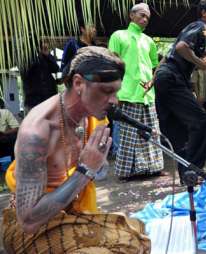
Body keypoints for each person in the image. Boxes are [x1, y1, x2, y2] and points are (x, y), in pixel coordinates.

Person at [3, 46, 150, 253]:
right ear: (79, 83)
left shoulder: (91, 115)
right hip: (30, 227)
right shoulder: (37, 131)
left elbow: (98, 169)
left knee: (138, 238)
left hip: (70, 212)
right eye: (107, 92)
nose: (114, 101)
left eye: (115, 92)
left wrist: (97, 164)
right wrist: (85, 171)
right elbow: (28, 220)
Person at [154, 0, 206, 182]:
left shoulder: (199, 33)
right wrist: (199, 62)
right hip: (171, 78)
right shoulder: (199, 26)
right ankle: (196, 171)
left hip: (167, 78)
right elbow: (181, 48)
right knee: (202, 121)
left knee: (180, 132)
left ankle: (187, 176)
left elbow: (183, 53)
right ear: (204, 14)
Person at [108, 3, 163, 180]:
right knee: (128, 135)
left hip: (147, 94)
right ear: (131, 16)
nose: (145, 19)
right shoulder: (119, 35)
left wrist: (151, 85)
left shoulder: (149, 41)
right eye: (141, 15)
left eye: (147, 16)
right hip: (126, 93)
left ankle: (153, 167)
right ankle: (126, 173)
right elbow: (111, 65)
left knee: (152, 132)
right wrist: (113, 92)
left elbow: (154, 66)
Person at [21, 40, 60, 113]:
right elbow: (25, 72)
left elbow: (56, 68)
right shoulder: (26, 58)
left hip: (49, 97)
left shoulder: (46, 57)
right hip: (34, 100)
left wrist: (47, 55)